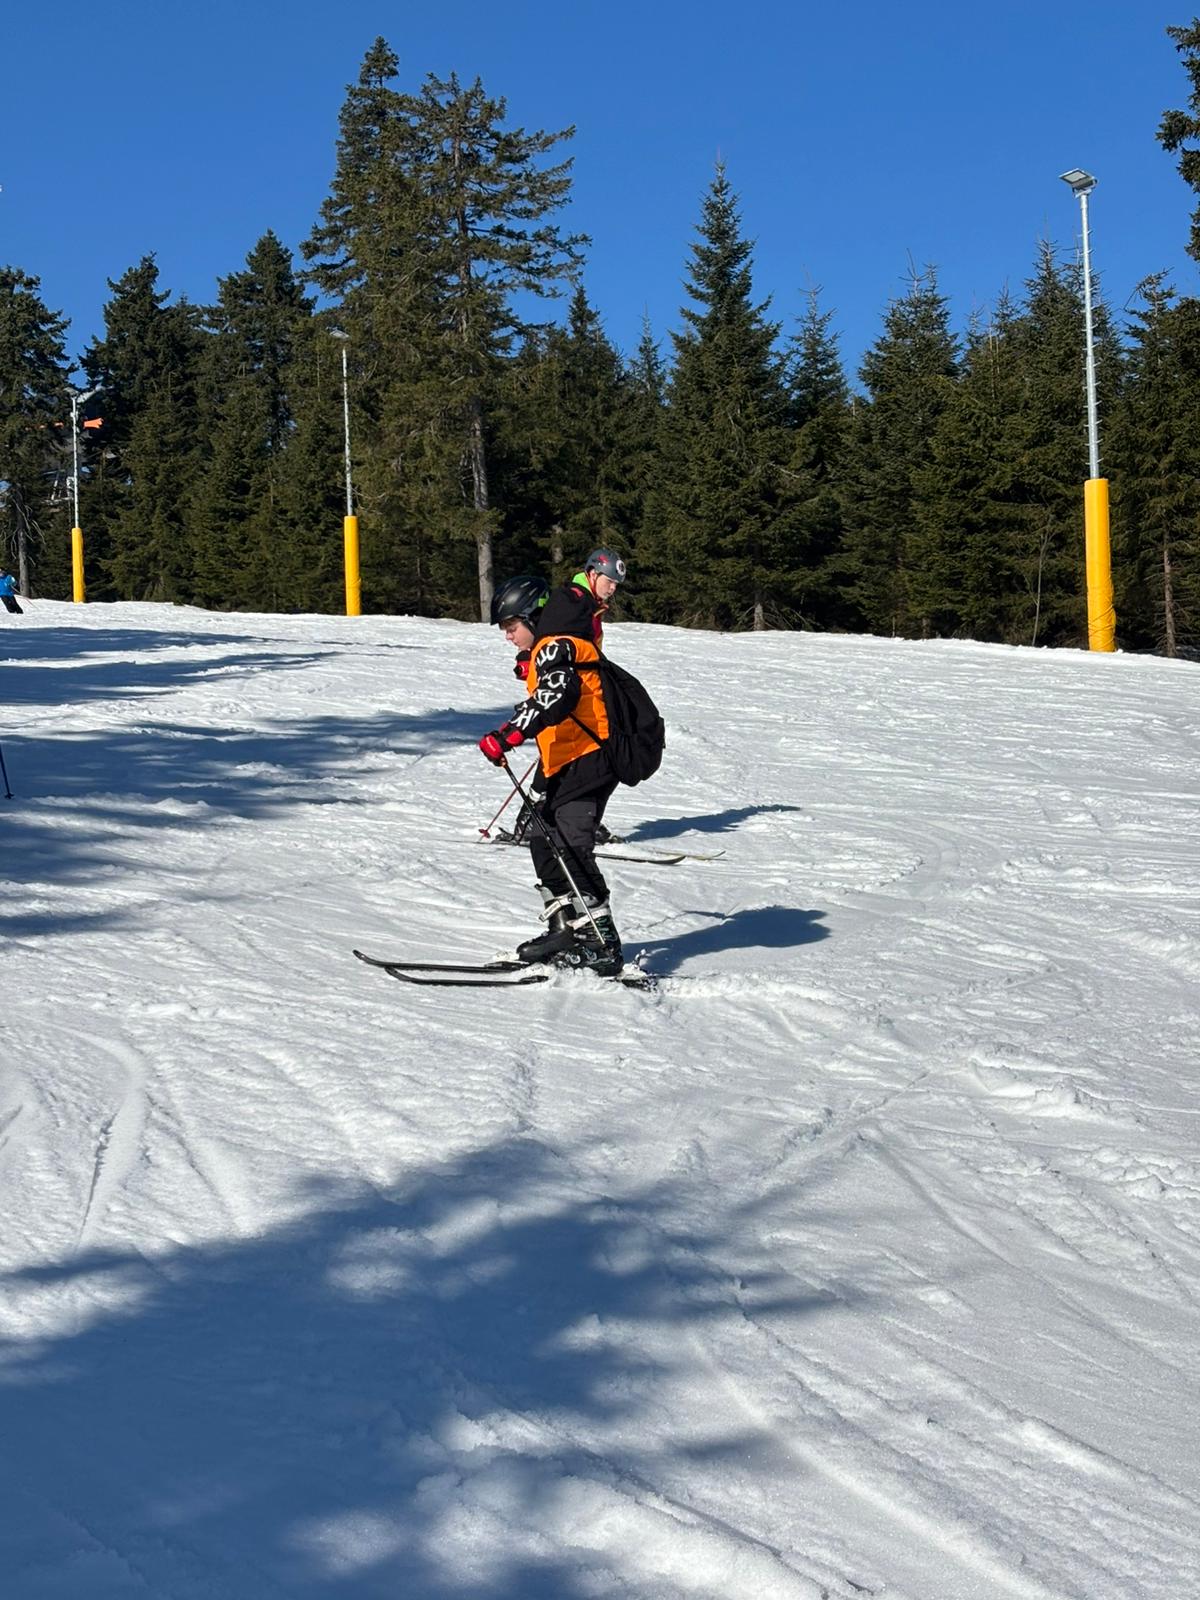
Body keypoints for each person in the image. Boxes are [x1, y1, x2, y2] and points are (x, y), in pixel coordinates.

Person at [478, 548, 629, 975]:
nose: (508, 637)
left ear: (530, 618)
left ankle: (602, 944)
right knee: (543, 838)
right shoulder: (548, 646)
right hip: (568, 757)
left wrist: (509, 734)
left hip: (592, 756)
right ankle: (565, 927)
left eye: (511, 627)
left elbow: (557, 696)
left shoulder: (555, 643)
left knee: (570, 846)